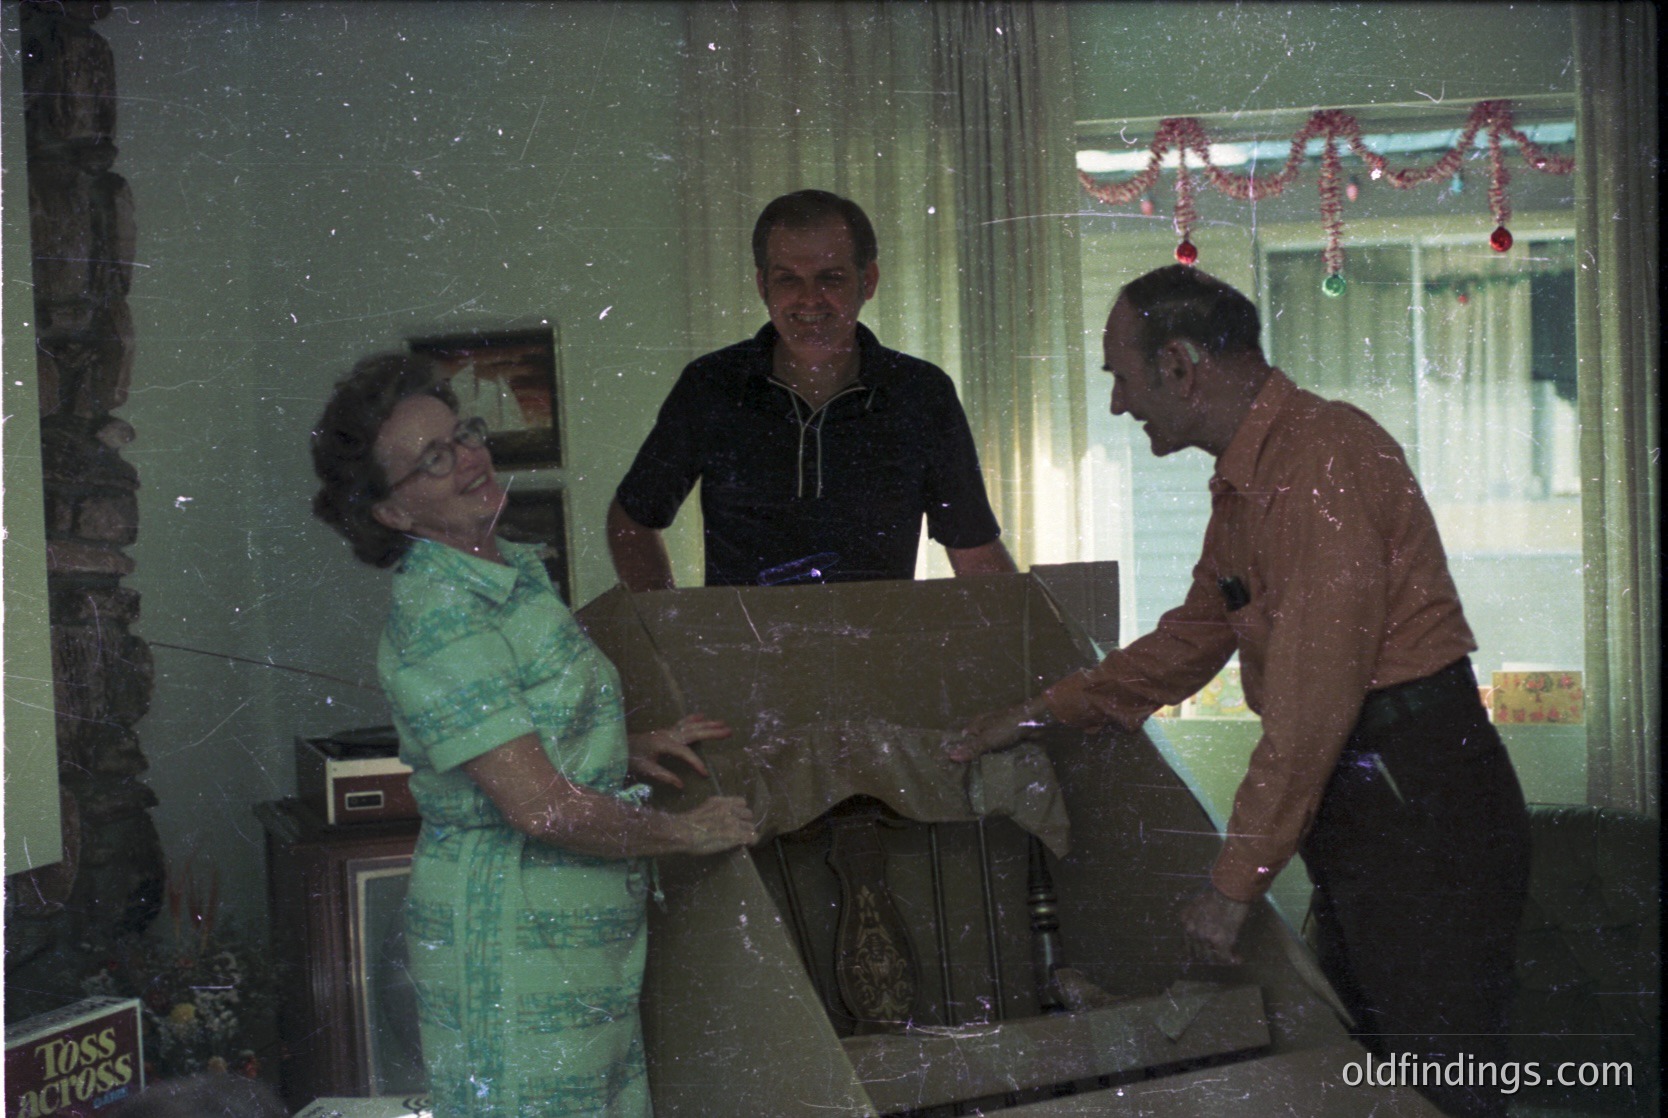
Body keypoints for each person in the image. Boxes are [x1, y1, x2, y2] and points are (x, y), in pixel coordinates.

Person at [949, 266, 1530, 1118]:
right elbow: (1191, 639)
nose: (1117, 403)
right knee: (1378, 1077)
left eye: (1120, 373)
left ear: (1180, 365)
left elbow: (1306, 712)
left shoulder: (1321, 462)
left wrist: (1231, 888)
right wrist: (1036, 712)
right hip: (1381, 796)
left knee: (1437, 1090)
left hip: (1415, 790)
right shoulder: (1251, 480)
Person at [311, 353, 757, 1118]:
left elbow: (536, 728)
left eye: (464, 435)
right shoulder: (441, 614)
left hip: (577, 941)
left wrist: (629, 742)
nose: (470, 461)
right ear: (390, 512)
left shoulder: (509, 571)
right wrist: (687, 833)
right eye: (434, 459)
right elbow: (541, 808)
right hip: (513, 946)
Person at [608, 189, 1015, 589]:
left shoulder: (921, 393)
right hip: (745, 652)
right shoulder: (711, 385)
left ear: (867, 281)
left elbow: (974, 548)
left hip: (878, 650)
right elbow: (632, 520)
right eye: (788, 279)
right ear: (762, 285)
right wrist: (668, 628)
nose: (809, 299)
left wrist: (1035, 640)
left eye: (831, 278)